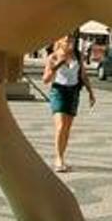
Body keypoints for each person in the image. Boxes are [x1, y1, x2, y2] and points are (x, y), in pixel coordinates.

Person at [42, 34, 95, 172]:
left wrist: (90, 92)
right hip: (58, 91)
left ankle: (61, 157)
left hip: (73, 92)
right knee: (60, 126)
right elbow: (46, 80)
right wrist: (58, 64)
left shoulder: (78, 56)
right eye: (66, 40)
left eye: (71, 39)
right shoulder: (53, 57)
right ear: (59, 41)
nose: (69, 41)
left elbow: (83, 75)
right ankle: (58, 159)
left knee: (66, 128)